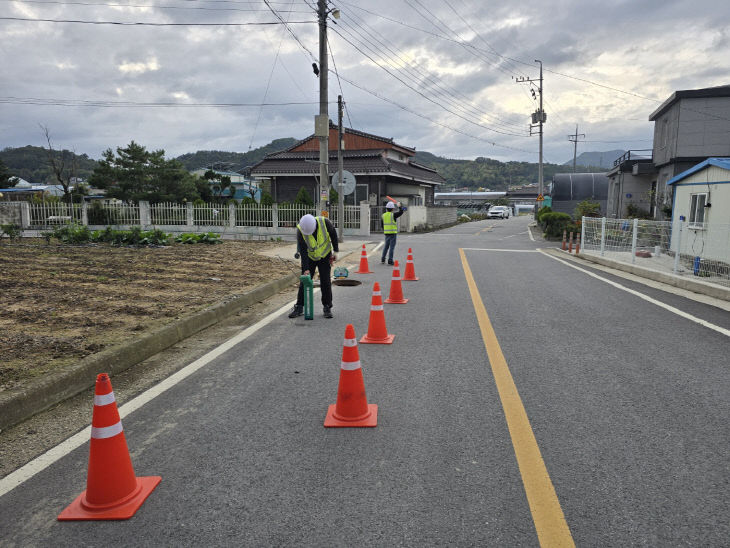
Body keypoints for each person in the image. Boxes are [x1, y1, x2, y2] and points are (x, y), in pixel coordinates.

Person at [288, 213, 339, 319]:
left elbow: (333, 234)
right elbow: (303, 250)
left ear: (315, 225)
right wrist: (306, 268)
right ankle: (299, 306)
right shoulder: (301, 230)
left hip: (324, 256)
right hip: (310, 257)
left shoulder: (325, 223)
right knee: (304, 280)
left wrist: (336, 251)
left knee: (325, 281)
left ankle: (327, 306)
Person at [381, 201, 404, 265]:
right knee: (391, 247)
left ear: (386, 208)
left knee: (386, 246)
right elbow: (401, 212)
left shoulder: (383, 215)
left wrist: (386, 230)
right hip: (393, 233)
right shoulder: (393, 215)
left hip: (386, 233)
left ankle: (383, 259)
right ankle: (390, 260)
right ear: (393, 209)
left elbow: (382, 225)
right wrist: (399, 206)